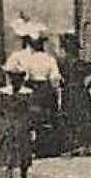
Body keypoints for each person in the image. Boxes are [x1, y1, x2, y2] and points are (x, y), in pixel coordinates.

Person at [4, 17, 63, 156]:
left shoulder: (23, 57)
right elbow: (55, 77)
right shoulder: (49, 58)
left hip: (31, 87)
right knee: (46, 118)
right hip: (45, 89)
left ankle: (30, 147)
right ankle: (46, 148)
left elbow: (15, 71)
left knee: (29, 118)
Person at [56, 32, 91, 156]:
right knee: (85, 117)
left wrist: (62, 85)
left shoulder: (61, 63)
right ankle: (85, 145)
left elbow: (58, 78)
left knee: (71, 117)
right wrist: (87, 86)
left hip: (68, 92)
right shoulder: (79, 63)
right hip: (80, 92)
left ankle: (73, 146)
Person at [0, 67, 35, 178]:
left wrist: (31, 126)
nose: (15, 81)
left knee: (24, 153)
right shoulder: (4, 92)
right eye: (13, 78)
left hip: (22, 125)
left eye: (19, 78)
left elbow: (31, 111)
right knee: (9, 152)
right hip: (9, 124)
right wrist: (2, 125)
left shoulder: (27, 93)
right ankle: (8, 177)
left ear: (22, 80)